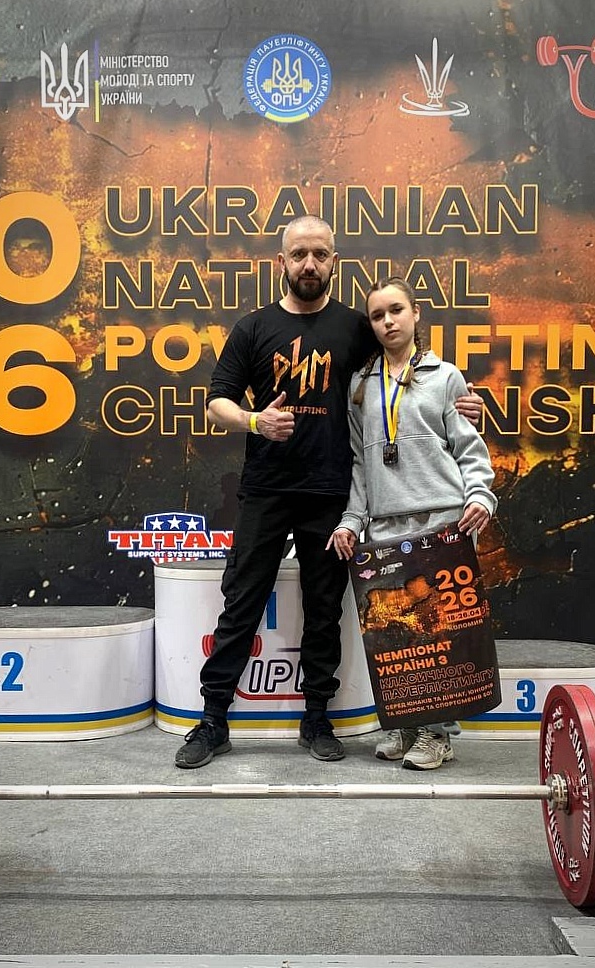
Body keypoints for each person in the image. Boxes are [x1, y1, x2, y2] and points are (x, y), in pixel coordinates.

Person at [174, 218, 484, 769]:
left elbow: (403, 370)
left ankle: (317, 716)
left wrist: (458, 402)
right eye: (299, 254)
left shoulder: (355, 328)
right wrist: (254, 421)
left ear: (334, 261)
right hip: (266, 490)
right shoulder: (253, 328)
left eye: (319, 254)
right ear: (282, 263)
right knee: (241, 604)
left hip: (331, 493)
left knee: (324, 611)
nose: (309, 264)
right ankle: (213, 719)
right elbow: (216, 402)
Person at [327, 275, 497, 771]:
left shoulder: (446, 376)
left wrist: (481, 496)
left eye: (396, 310)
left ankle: (437, 734)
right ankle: (404, 726)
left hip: (443, 521)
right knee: (396, 633)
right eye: (377, 315)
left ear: (416, 313)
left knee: (438, 632)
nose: (388, 322)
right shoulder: (360, 386)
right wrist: (351, 521)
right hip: (385, 527)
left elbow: (468, 448)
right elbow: (360, 464)